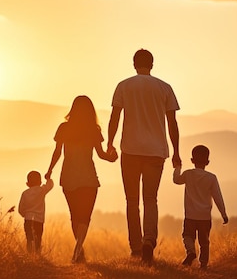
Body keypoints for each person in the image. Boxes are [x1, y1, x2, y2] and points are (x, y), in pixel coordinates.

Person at [107, 48, 181, 265]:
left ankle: (136, 247)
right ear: (152, 64)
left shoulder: (124, 86)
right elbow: (172, 123)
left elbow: (115, 117)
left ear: (133, 64)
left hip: (130, 150)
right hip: (156, 151)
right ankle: (149, 240)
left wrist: (110, 143)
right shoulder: (164, 87)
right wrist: (176, 151)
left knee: (132, 200)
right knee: (151, 199)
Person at [45, 95, 118, 264]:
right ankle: (78, 249)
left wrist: (49, 171)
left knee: (75, 217)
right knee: (85, 217)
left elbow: (57, 152)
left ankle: (79, 249)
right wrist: (112, 157)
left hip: (68, 177)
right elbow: (101, 155)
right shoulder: (93, 130)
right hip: (89, 178)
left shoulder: (63, 128)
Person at [173, 145, 229, 269]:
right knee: (204, 241)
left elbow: (176, 180)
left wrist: (178, 167)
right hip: (205, 216)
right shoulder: (211, 178)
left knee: (187, 236)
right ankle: (203, 264)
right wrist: (223, 214)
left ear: (192, 160)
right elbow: (217, 197)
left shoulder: (187, 174)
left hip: (190, 215)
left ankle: (191, 251)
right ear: (207, 162)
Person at [18, 170, 54, 255]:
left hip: (28, 220)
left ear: (27, 183)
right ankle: (37, 256)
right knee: (38, 240)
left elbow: (20, 209)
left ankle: (29, 255)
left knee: (29, 239)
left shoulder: (25, 193)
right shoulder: (41, 190)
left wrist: (25, 215)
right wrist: (48, 178)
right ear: (40, 182)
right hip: (39, 221)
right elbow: (50, 185)